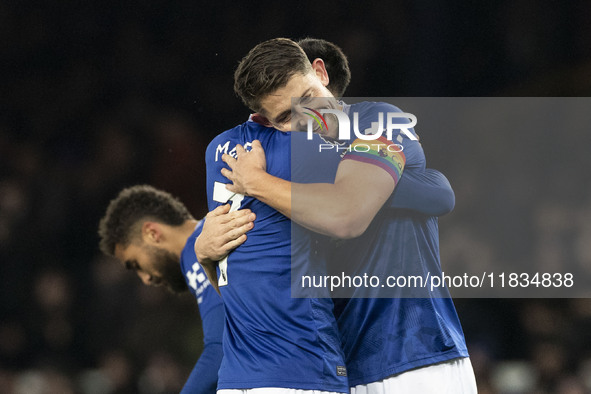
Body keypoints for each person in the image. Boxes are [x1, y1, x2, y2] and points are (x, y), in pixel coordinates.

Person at [224, 38, 476, 392]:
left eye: (307, 99)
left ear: (320, 72)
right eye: (284, 117)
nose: (305, 120)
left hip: (417, 355)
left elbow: (346, 215)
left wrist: (259, 183)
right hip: (338, 368)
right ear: (263, 120)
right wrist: (203, 245)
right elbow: (435, 193)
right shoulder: (281, 160)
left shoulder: (377, 120)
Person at [97, 185, 255, 394]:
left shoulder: (196, 250)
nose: (145, 279)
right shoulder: (210, 234)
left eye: (136, 264)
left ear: (152, 233)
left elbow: (220, 346)